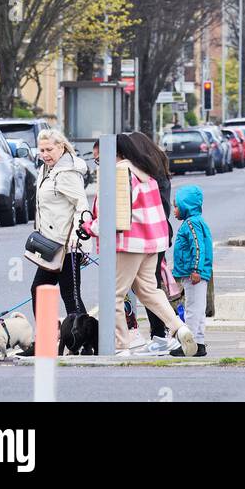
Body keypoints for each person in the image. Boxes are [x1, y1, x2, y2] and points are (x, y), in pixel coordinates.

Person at [84, 134, 197, 357]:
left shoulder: (118, 174)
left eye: (99, 160)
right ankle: (179, 327)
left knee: (113, 295)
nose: (99, 164)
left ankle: (120, 345)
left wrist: (89, 227)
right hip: (154, 242)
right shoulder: (146, 174)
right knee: (149, 290)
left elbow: (113, 214)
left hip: (129, 243)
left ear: (116, 154)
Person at [119, 132, 176, 355]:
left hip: (143, 236)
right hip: (160, 233)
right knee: (150, 286)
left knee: (143, 287)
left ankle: (156, 334)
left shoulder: (142, 175)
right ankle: (167, 332)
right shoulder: (157, 168)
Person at [31, 129, 89, 320]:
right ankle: (52, 336)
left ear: (61, 147)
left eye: (49, 149)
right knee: (41, 290)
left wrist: (76, 239)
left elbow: (82, 206)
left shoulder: (66, 173)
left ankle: (84, 342)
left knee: (70, 296)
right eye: (42, 150)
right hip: (51, 244)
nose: (45, 155)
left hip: (67, 245)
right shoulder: (46, 170)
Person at [169, 185, 213, 358]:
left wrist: (196, 270)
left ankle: (190, 345)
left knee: (192, 310)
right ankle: (199, 344)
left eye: (177, 206)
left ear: (186, 206)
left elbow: (197, 247)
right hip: (195, 273)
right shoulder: (195, 221)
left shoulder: (191, 223)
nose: (174, 210)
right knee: (198, 309)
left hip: (193, 274)